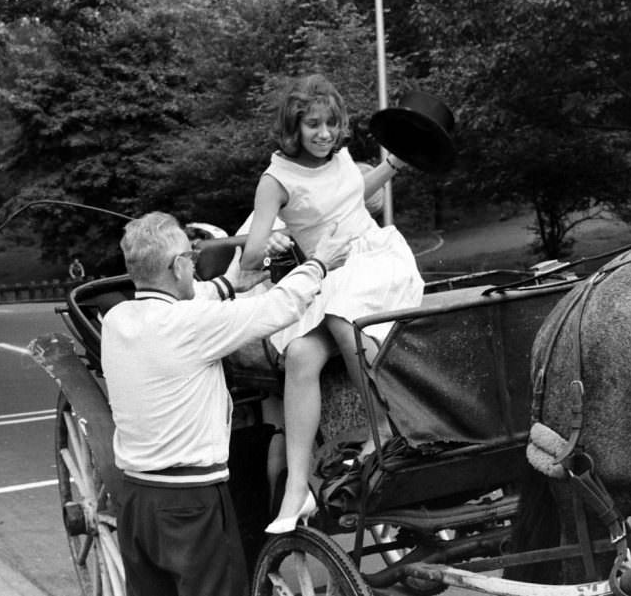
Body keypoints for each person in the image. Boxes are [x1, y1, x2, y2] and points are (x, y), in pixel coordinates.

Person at [101, 211, 350, 596]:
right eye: (192, 259)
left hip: (137, 500)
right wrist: (320, 263)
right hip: (189, 503)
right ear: (179, 266)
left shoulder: (118, 319)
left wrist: (230, 283)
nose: (195, 266)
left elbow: (190, 301)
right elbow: (278, 308)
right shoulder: (190, 325)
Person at [240, 74, 425, 534]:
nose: (324, 134)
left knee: (344, 310)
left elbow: (350, 199)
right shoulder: (276, 180)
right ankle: (296, 489)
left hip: (376, 260)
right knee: (300, 353)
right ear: (294, 127)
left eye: (331, 124)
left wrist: (393, 167)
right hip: (332, 273)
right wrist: (272, 241)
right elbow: (250, 255)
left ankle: (387, 422)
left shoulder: (342, 158)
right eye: (313, 125)